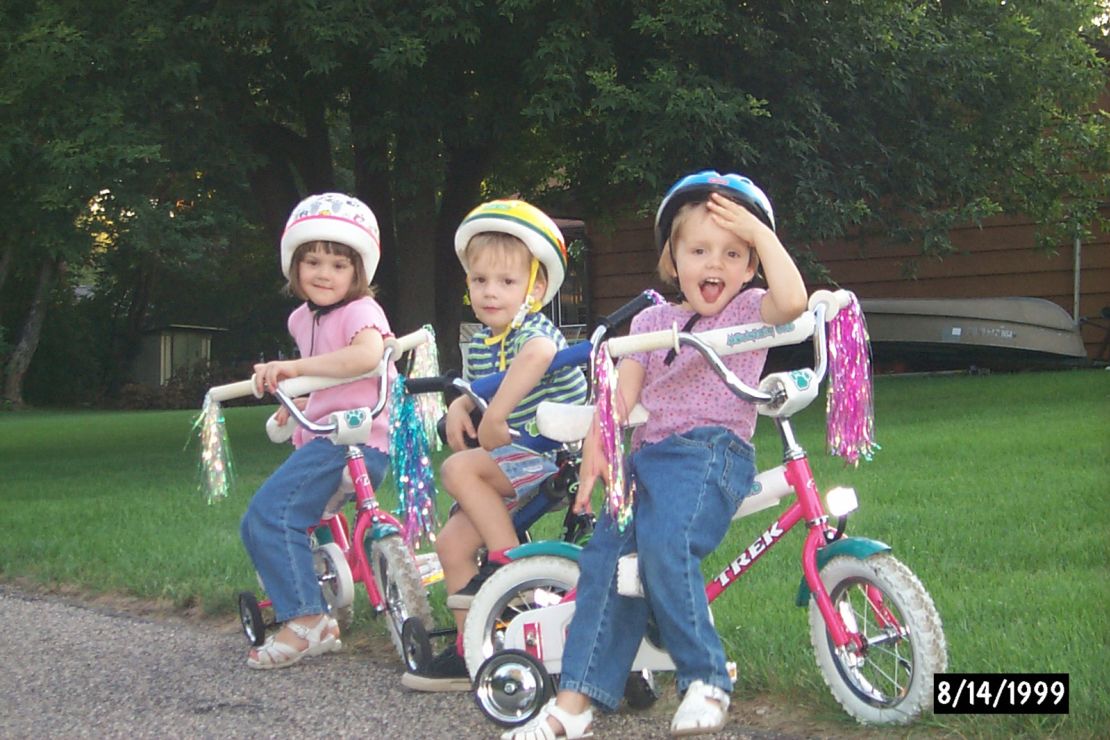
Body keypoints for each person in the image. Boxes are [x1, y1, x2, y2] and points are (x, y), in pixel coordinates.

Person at [506, 171, 808, 738]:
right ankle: (574, 705)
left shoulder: (749, 311)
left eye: (733, 252)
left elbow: (793, 302)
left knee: (667, 546)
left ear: (749, 267)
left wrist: (761, 234)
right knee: (605, 566)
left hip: (711, 455)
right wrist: (598, 441)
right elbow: (619, 401)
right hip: (644, 462)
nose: (714, 264)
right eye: (698, 250)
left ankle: (706, 679)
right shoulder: (649, 323)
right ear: (672, 260)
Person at [401, 199, 589, 691]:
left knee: (458, 469)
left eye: (506, 282)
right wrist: (463, 407)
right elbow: (475, 387)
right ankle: (474, 650)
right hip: (515, 463)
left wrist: (498, 413)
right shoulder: (485, 340)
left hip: (550, 455)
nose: (490, 292)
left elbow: (540, 355)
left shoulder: (532, 329)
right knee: (450, 544)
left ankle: (510, 569)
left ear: (536, 288)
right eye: (480, 280)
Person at [240, 192, 394, 670]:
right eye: (312, 261)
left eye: (337, 264)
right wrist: (304, 399)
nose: (323, 273)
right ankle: (319, 607)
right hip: (329, 436)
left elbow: (366, 358)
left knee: (269, 516)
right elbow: (340, 380)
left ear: (358, 273)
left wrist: (291, 369)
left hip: (352, 441)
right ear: (294, 265)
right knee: (282, 518)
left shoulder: (360, 312)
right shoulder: (299, 318)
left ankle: (305, 620)